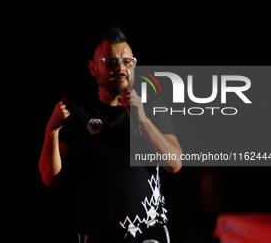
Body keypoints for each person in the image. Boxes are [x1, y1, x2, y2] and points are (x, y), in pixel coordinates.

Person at [38, 26, 183, 243]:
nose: (121, 67)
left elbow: (174, 164)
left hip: (147, 231)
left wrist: (142, 118)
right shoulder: (78, 112)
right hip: (96, 234)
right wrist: (52, 130)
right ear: (93, 68)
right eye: (111, 62)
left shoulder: (151, 105)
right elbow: (50, 178)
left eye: (127, 62)